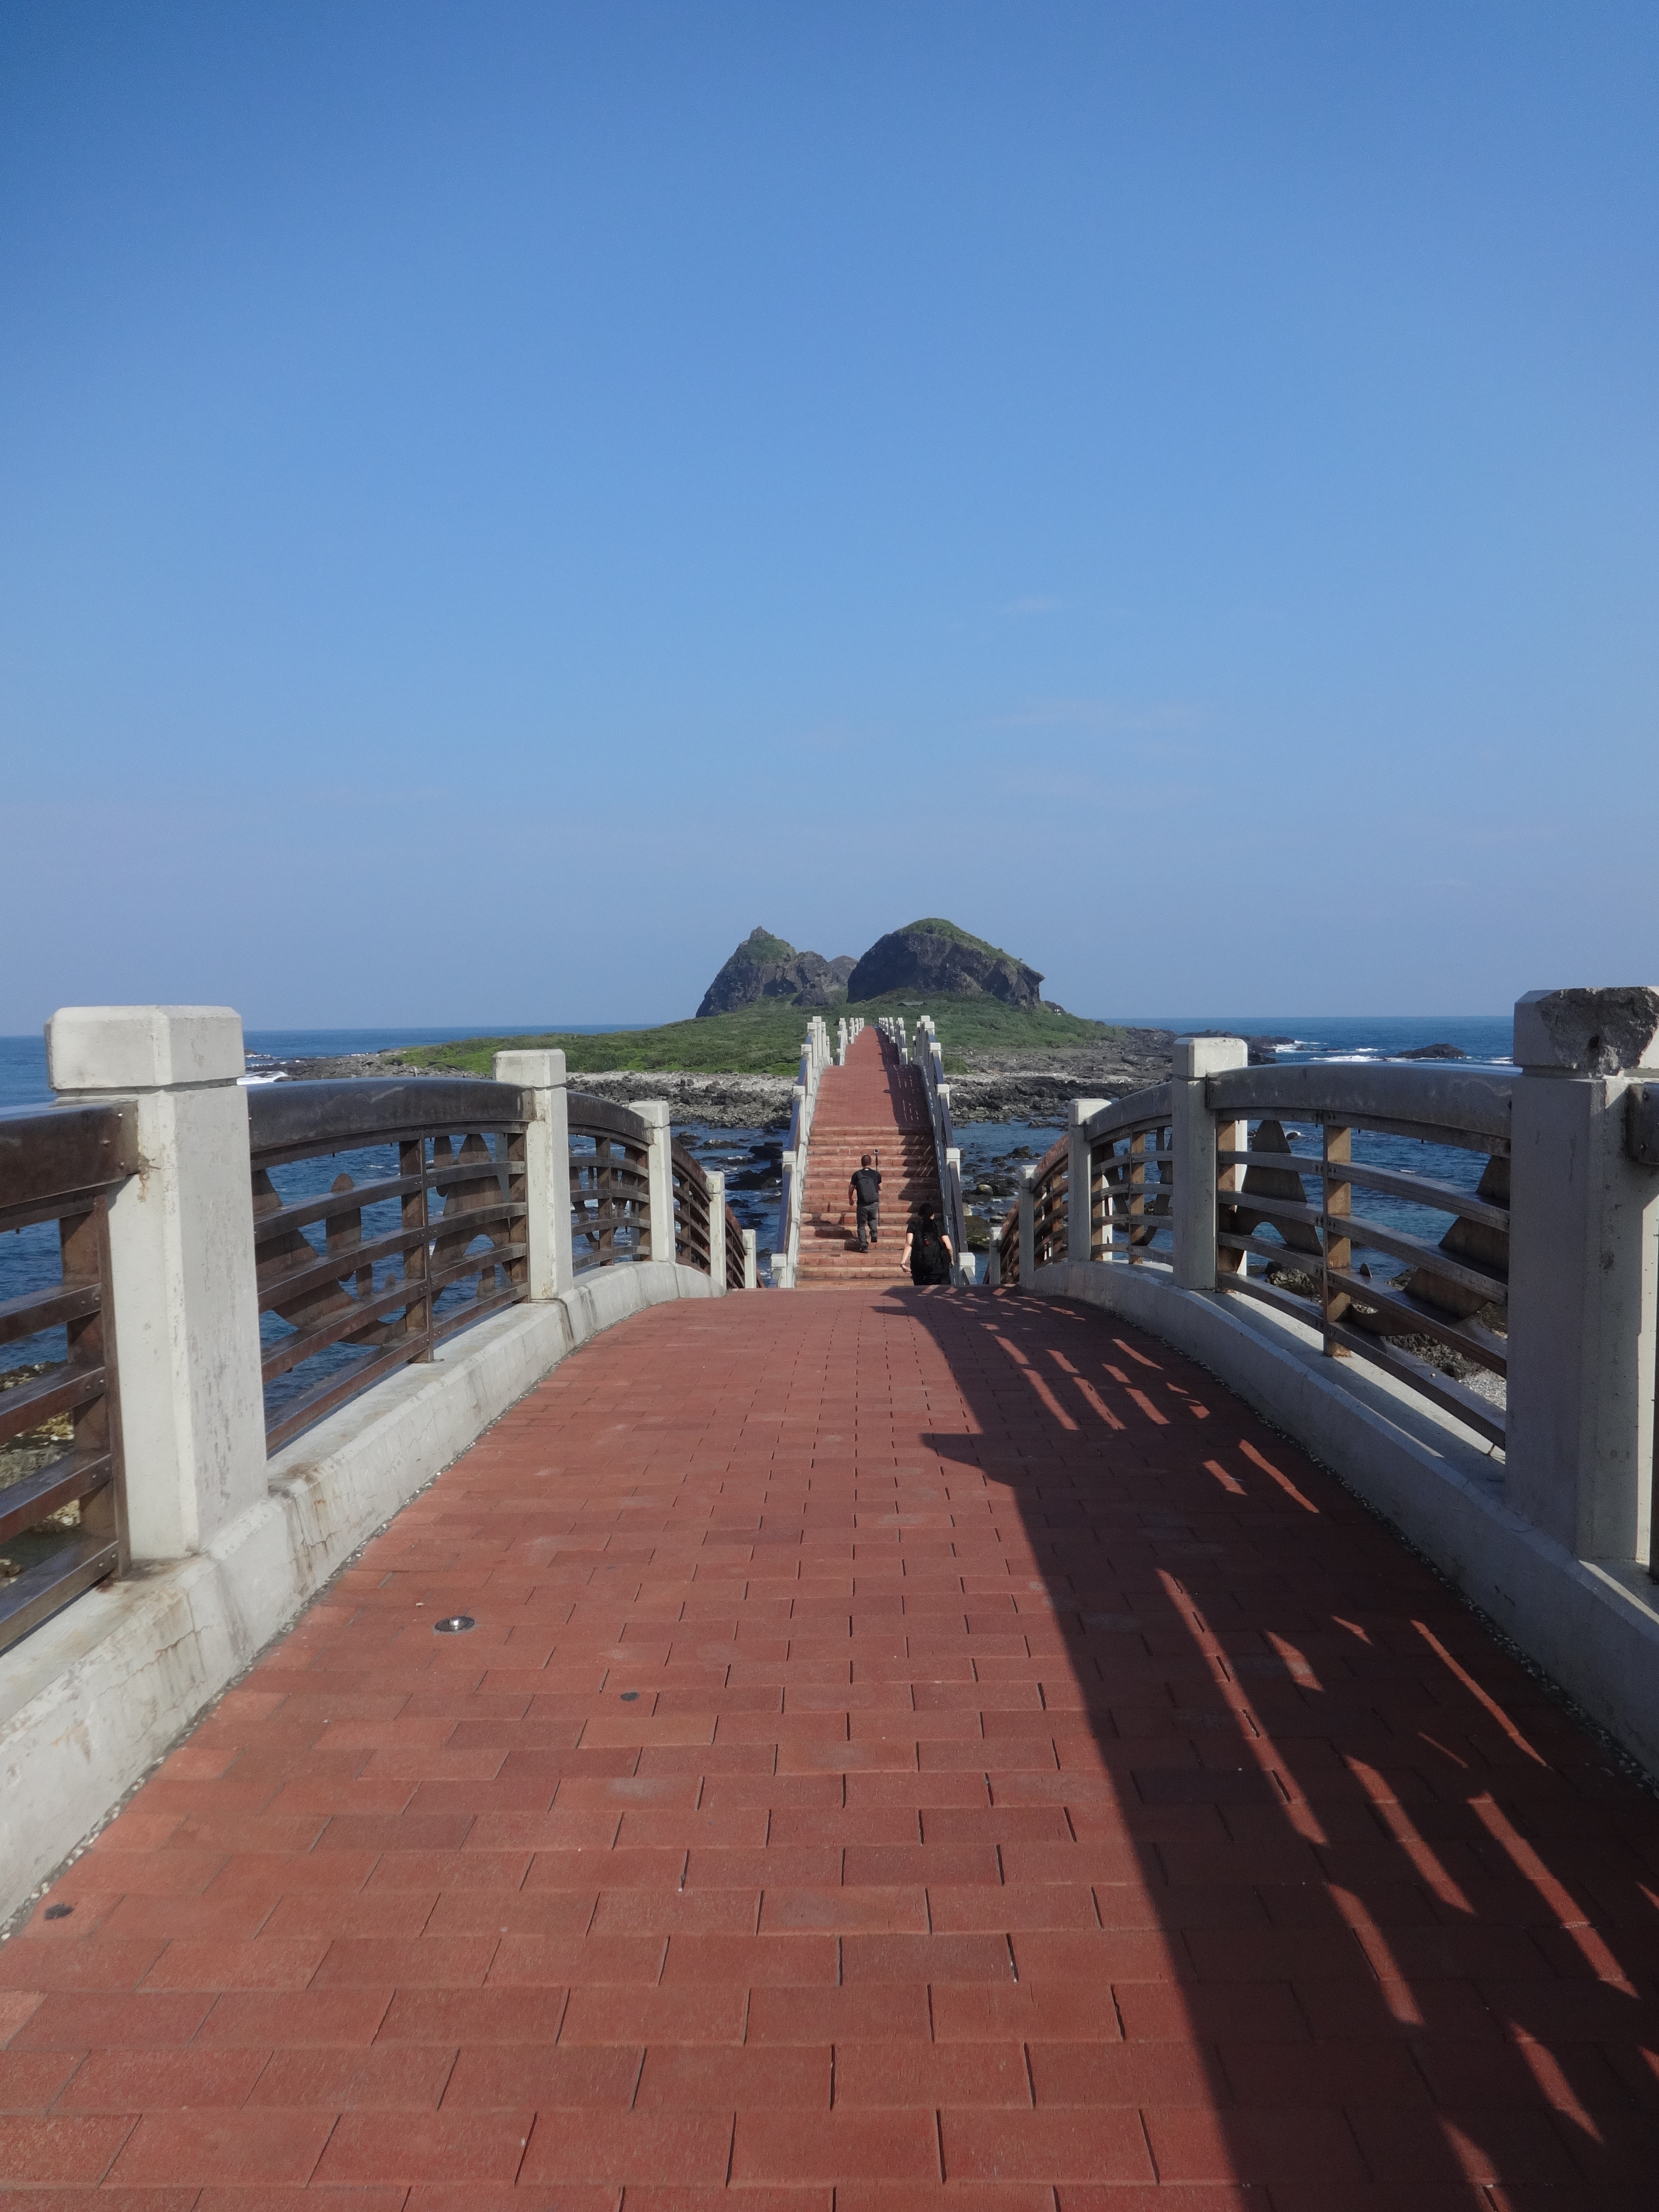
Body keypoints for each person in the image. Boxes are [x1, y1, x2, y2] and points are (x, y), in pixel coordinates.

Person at [902, 1202, 954, 1286]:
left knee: (919, 1288)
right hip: (936, 1267)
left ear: (919, 1214)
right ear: (933, 1215)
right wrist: (951, 1260)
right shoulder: (938, 1225)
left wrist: (903, 1262)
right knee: (934, 1290)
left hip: (918, 1267)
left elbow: (909, 1244)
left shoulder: (913, 1226)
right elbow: (949, 1247)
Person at [848, 1152, 881, 1250]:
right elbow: (881, 1188)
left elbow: (851, 1189)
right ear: (871, 1163)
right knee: (873, 1219)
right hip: (874, 1203)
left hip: (862, 1204)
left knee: (861, 1225)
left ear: (862, 1163)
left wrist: (850, 1199)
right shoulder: (876, 1174)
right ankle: (874, 1232)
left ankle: (864, 1246)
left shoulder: (857, 1175)